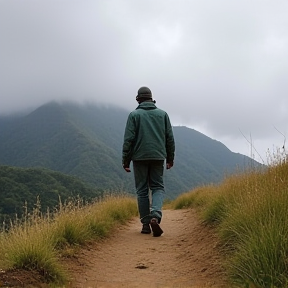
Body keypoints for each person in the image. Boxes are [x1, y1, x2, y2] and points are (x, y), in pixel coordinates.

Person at [122, 86, 175, 237]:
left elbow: (128, 140)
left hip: (139, 157)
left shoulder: (134, 115)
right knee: (157, 187)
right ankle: (155, 217)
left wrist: (126, 161)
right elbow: (169, 139)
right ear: (152, 99)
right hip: (158, 156)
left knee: (142, 190)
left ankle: (146, 224)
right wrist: (170, 158)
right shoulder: (163, 115)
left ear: (138, 99)